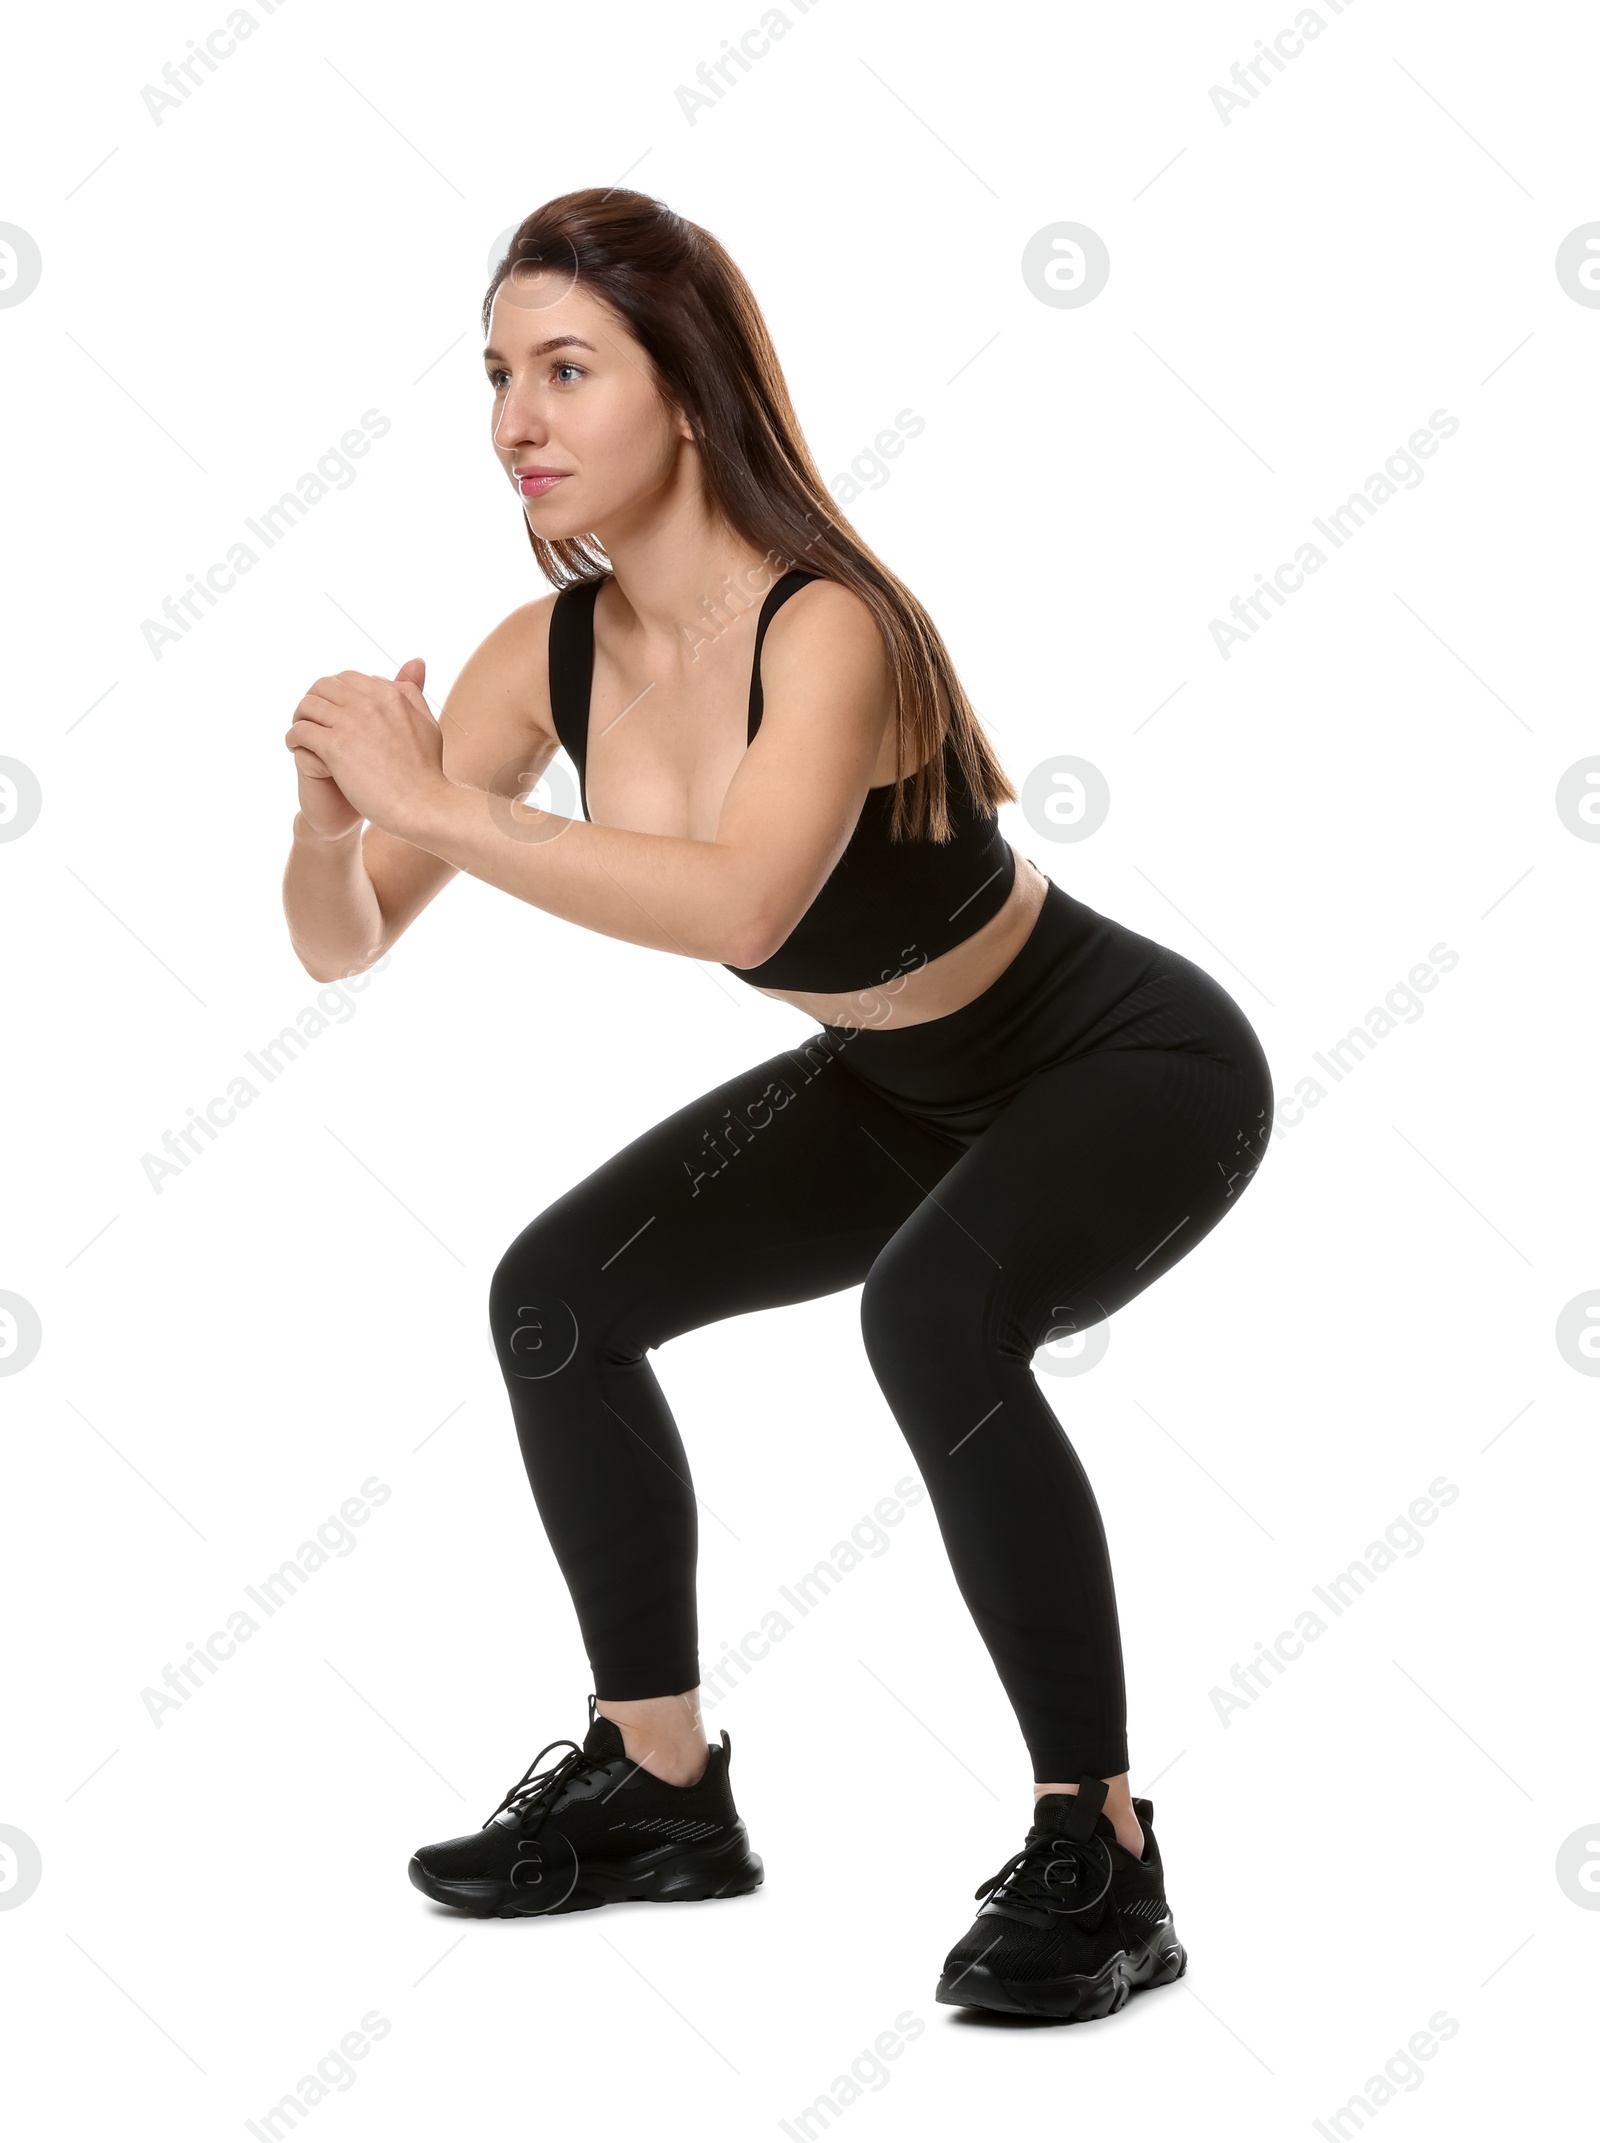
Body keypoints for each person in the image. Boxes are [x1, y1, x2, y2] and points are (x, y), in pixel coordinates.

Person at [281, 189, 1273, 2025]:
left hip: (1125, 1061)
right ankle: (657, 1786)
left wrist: (435, 808)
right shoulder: (540, 657)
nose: (518, 417)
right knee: (556, 1299)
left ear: (687, 391)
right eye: (498, 373)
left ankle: (1103, 1852)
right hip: (898, 1080)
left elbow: (739, 905)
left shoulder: (835, 631)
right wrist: (336, 823)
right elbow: (340, 948)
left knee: (934, 1315)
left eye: (568, 368)